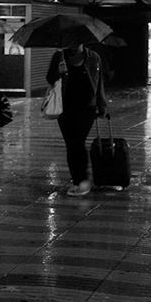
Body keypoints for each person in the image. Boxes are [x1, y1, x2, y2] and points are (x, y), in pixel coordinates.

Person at [46, 42, 108, 196]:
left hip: (86, 108)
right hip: (64, 107)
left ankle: (82, 180)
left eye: (76, 39)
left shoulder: (93, 57)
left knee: (78, 142)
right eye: (70, 39)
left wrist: (102, 105)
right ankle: (77, 180)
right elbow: (49, 78)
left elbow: (99, 83)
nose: (73, 43)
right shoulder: (59, 56)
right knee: (70, 144)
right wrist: (58, 72)